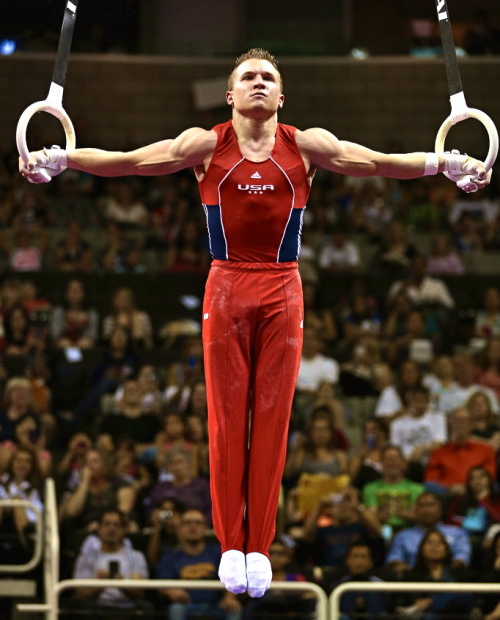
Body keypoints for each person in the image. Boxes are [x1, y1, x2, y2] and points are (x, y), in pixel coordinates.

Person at [19, 47, 491, 597]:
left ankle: (259, 546)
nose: (259, 84)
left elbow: (379, 162)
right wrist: (63, 158)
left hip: (282, 286)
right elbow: (131, 159)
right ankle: (230, 544)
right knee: (224, 419)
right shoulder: (205, 144)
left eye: (269, 77)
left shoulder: (306, 145)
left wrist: (447, 164)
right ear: (231, 94)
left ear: (282, 95)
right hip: (226, 285)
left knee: (272, 417)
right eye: (249, 77)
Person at [157, 508, 242, 620]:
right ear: (180, 529)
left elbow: (234, 578)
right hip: (186, 605)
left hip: (216, 606)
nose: (193, 527)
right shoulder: (170, 557)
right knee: (176, 608)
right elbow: (162, 584)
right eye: (187, 523)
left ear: (205, 528)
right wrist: (171, 591)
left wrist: (229, 598)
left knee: (234, 608)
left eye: (198, 523)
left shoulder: (219, 554)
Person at [70, 508, 154, 620]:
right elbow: (81, 594)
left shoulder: (136, 556)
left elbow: (139, 592)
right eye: (107, 524)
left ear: (124, 529)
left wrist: (121, 583)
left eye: (117, 525)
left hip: (128, 608)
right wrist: (100, 584)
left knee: (146, 608)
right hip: (97, 608)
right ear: (99, 528)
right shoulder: (87, 557)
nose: (111, 528)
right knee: (81, 607)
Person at [385, 491, 471, 579]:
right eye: (422, 506)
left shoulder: (457, 533)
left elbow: (462, 556)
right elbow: (394, 558)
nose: (427, 510)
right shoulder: (403, 536)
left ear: (440, 509)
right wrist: (402, 568)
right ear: (415, 510)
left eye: (431, 505)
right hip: (414, 581)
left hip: (449, 580)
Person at [424, 407, 497, 497]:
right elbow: (431, 479)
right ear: (450, 424)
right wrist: (449, 487)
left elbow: (490, 475)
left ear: (471, 424)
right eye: (457, 420)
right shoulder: (439, 453)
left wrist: (470, 487)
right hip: (448, 495)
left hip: (478, 496)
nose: (461, 425)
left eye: (465, 421)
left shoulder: (486, 450)